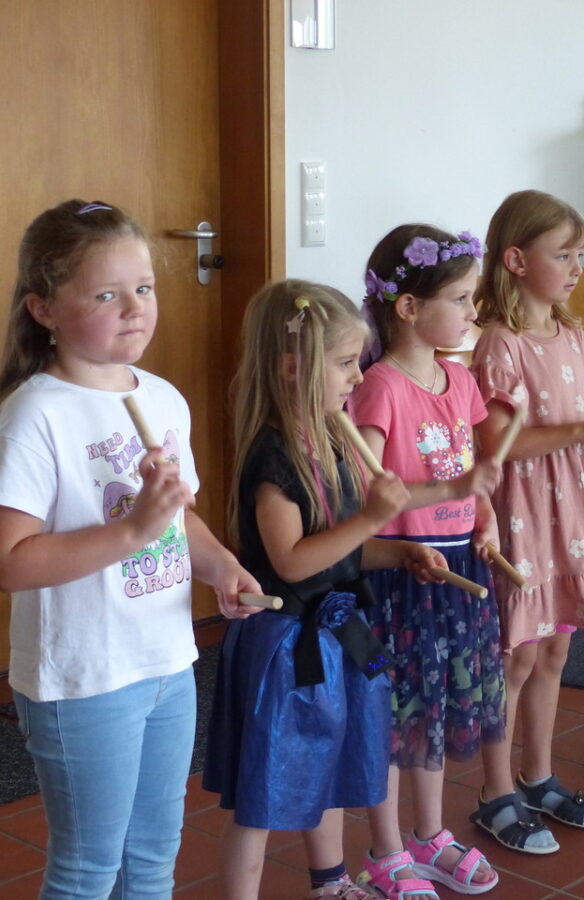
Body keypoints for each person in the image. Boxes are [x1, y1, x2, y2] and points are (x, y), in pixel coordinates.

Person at [0, 199, 261, 899]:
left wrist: (221, 566)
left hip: (166, 659)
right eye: (106, 294)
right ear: (43, 309)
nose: (134, 307)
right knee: (87, 868)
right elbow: (10, 563)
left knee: (155, 855)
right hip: (84, 676)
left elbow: (178, 520)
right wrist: (132, 530)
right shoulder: (34, 415)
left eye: (143, 288)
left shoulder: (164, 400)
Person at [203, 279, 445, 899]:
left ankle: (330, 882)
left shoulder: (333, 441)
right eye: (343, 364)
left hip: (337, 634)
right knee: (264, 795)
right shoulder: (275, 456)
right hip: (285, 644)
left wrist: (397, 551)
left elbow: (340, 551)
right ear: (292, 368)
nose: (357, 378)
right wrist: (369, 519)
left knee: (335, 766)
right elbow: (291, 559)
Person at [469, 189, 584, 852]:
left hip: (575, 509)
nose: (577, 267)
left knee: (558, 647)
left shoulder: (573, 337)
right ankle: (494, 793)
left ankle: (538, 776)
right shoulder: (500, 343)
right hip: (527, 515)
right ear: (515, 260)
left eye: (580, 254)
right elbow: (499, 443)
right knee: (517, 655)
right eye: (562, 254)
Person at [350, 224, 505, 898]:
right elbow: (365, 493)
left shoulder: (459, 379)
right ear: (408, 306)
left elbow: (469, 470)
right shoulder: (380, 386)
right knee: (394, 715)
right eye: (463, 298)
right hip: (400, 574)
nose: (475, 311)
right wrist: (449, 495)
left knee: (435, 710)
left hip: (456, 568)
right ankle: (385, 851)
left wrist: (487, 521)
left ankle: (428, 834)